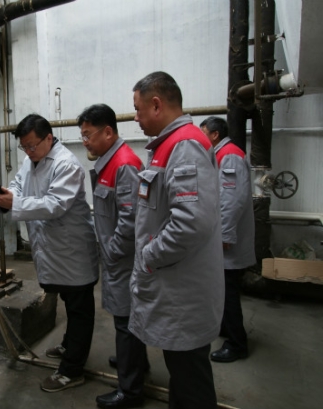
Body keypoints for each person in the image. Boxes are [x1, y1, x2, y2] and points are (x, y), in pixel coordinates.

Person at [129, 71, 224, 409]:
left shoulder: (184, 146)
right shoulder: (168, 145)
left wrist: (149, 256)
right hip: (175, 284)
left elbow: (190, 223)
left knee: (191, 380)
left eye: (138, 109)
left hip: (182, 291)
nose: (136, 117)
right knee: (183, 377)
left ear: (157, 105)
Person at [0, 113, 99, 393]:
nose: (28, 151)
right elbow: (18, 184)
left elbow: (55, 204)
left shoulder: (66, 164)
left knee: (79, 307)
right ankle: (70, 345)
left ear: (49, 138)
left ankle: (72, 371)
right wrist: (7, 194)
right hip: (53, 248)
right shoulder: (31, 161)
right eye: (23, 147)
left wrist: (15, 203)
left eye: (32, 145)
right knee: (67, 298)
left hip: (72, 250)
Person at [77, 103, 147, 409]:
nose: (85, 141)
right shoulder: (109, 163)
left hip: (124, 259)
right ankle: (135, 363)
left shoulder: (124, 165)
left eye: (88, 135)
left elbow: (131, 220)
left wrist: (113, 252)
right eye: (82, 135)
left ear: (108, 132)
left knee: (126, 321)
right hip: (117, 257)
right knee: (127, 319)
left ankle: (130, 392)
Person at [200, 116, 256, 363]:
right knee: (222, 288)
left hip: (228, 240)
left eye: (203, 133)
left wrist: (225, 235)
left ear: (215, 135)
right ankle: (226, 327)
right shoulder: (221, 155)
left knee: (228, 291)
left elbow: (232, 200)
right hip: (223, 236)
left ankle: (237, 343)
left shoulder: (230, 156)